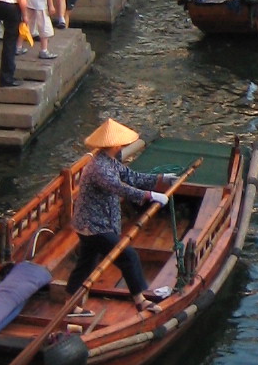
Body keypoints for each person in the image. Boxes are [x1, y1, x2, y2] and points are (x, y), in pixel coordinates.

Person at [67, 119, 181, 313]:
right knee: (128, 257)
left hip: (94, 223)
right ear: (115, 145)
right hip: (93, 225)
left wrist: (160, 179)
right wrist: (149, 196)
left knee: (86, 262)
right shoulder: (99, 168)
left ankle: (71, 303)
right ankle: (140, 299)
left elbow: (131, 177)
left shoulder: (110, 162)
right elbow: (119, 188)